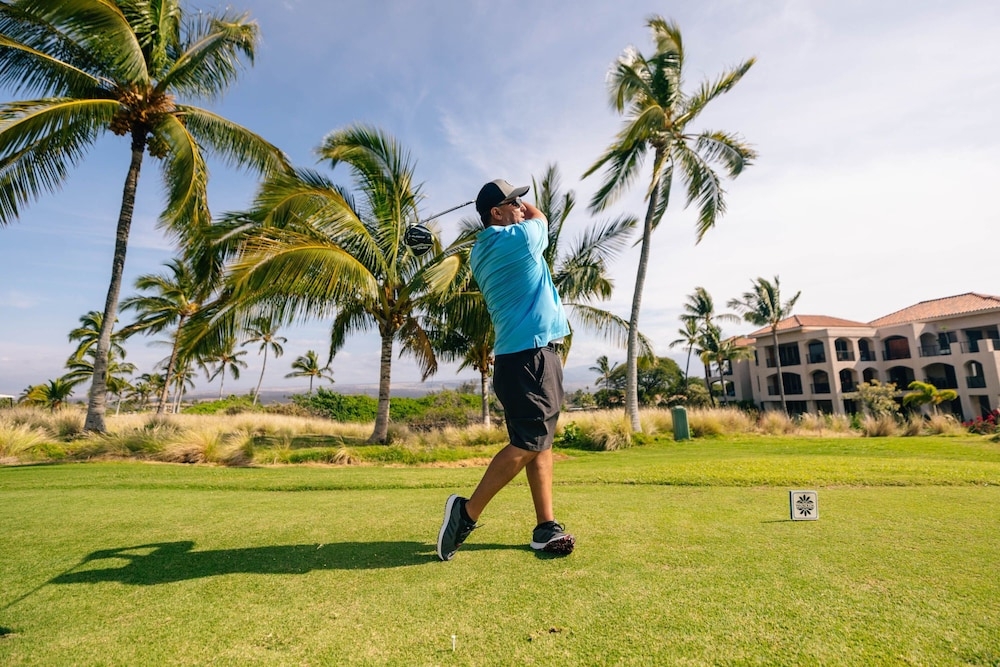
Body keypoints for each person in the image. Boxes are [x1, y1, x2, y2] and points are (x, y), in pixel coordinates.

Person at [436, 178, 575, 561]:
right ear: (495, 213)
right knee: (528, 441)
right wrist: (521, 209)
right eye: (513, 202)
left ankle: (545, 526)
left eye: (519, 202)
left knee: (538, 440)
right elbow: (541, 217)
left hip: (520, 358)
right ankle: (466, 513)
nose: (521, 207)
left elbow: (528, 217)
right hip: (530, 357)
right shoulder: (516, 240)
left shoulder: (482, 250)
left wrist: (503, 203)